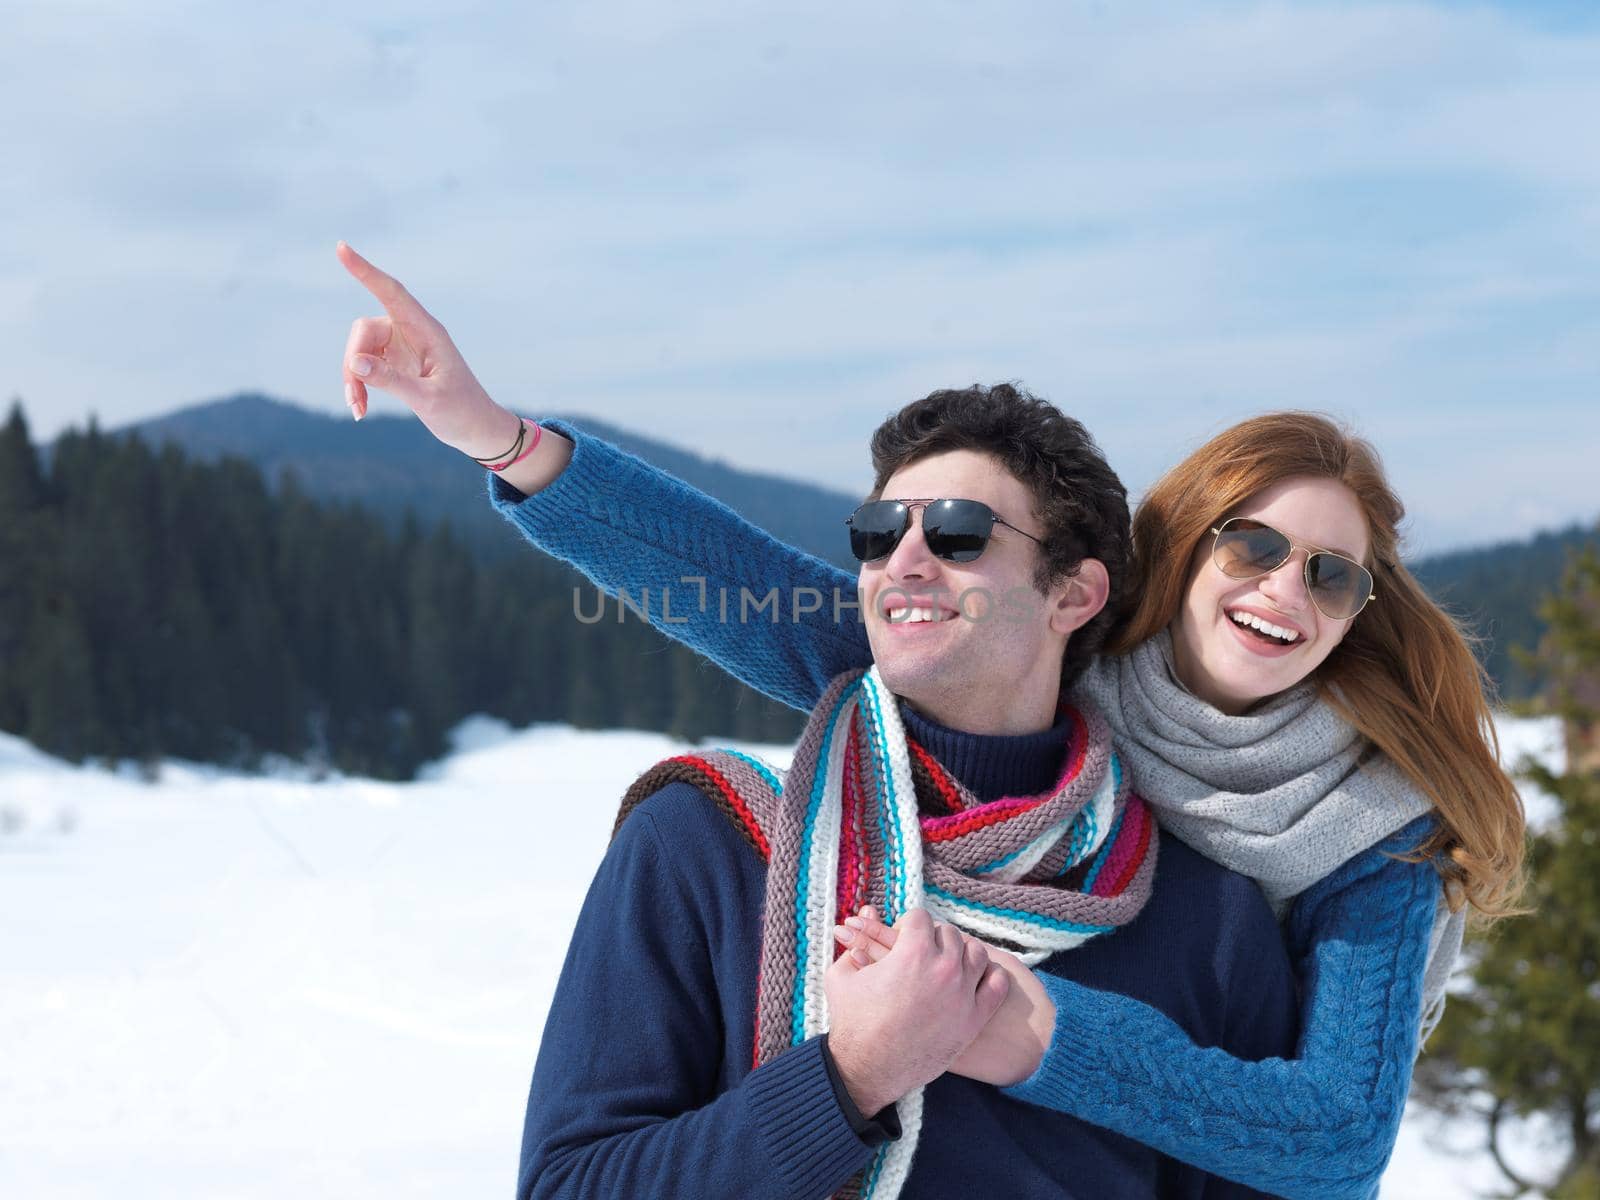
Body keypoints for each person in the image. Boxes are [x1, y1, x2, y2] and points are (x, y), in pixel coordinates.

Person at [335, 243, 1528, 1198]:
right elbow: (732, 584)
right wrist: (501, 437)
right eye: (1253, 546)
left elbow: (1331, 1144)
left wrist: (1028, 1029)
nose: (1282, 589)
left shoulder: (1337, 860)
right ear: (1181, 560)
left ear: (1074, 591)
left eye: (1331, 575)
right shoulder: (707, 853)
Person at [513, 383, 1299, 1199]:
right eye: (879, 534)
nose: (904, 562)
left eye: (959, 532)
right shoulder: (703, 845)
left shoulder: (1209, 921)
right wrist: (849, 1079)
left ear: (1072, 593)